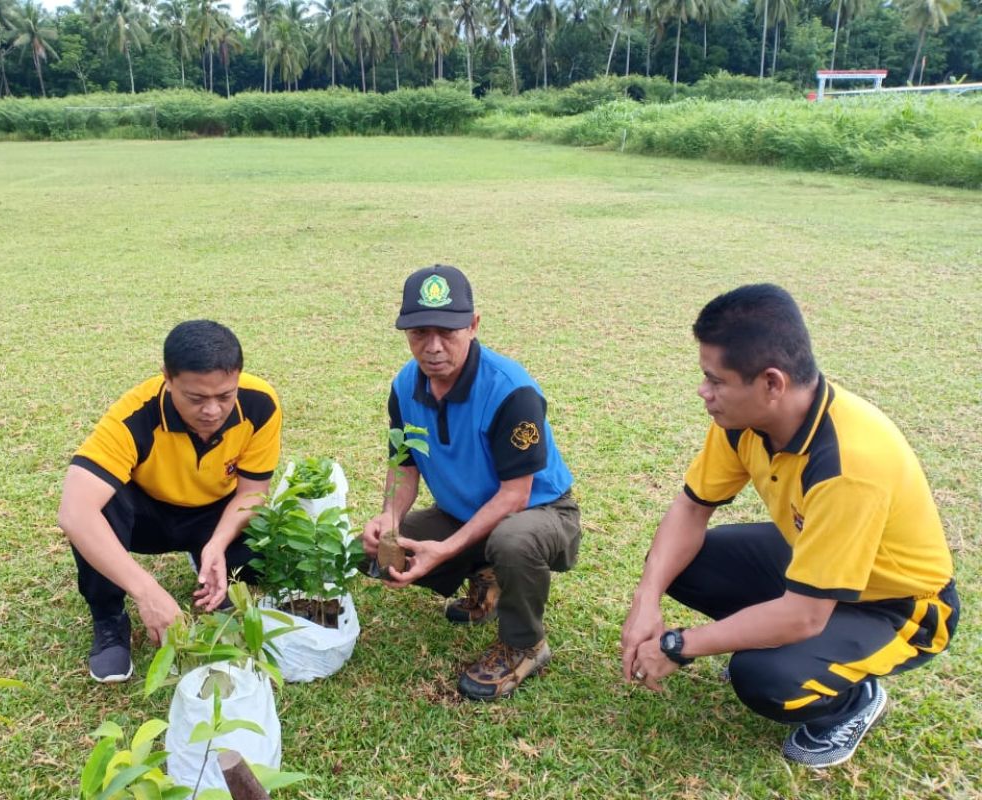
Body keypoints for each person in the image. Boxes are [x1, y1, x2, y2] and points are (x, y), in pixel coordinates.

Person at [621, 284, 958, 768]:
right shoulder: (741, 422)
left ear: (772, 383)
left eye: (715, 380)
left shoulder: (849, 466)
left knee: (762, 677)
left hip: (899, 607)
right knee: (686, 563)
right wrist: (645, 601)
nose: (704, 391)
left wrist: (678, 645)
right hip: (816, 566)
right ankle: (781, 642)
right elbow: (691, 508)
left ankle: (853, 702)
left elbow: (804, 616)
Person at [362, 264, 582, 701]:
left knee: (513, 542)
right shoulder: (405, 386)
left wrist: (445, 548)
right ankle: (486, 574)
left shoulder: (510, 390)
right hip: (461, 512)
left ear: (474, 325)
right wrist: (388, 518)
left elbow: (515, 495)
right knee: (369, 554)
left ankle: (525, 645)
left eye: (448, 331)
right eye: (419, 332)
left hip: (539, 513)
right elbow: (404, 464)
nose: (433, 347)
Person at [57, 320, 281, 683]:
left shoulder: (260, 403)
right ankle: (109, 618)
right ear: (167, 377)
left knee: (258, 566)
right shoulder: (134, 416)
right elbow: (74, 512)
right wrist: (148, 592)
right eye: (196, 398)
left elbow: (252, 491)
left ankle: (203, 556)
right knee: (101, 506)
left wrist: (218, 544)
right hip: (148, 517)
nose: (212, 410)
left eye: (225, 396)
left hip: (213, 513)